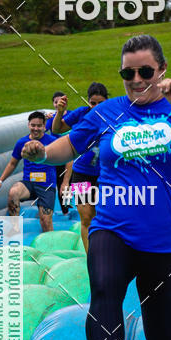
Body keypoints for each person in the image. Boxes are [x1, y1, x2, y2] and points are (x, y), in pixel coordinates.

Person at [20, 34, 171, 340]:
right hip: (112, 228)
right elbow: (69, 146)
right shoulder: (107, 111)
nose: (136, 81)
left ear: (162, 69)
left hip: (167, 242)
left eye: (145, 71)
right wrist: (42, 154)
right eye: (127, 74)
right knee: (104, 290)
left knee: (163, 337)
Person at [51, 81, 110, 251]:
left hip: (107, 175)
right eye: (93, 103)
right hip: (82, 174)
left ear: (107, 100)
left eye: (101, 102)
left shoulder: (115, 115)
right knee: (86, 218)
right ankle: (92, 258)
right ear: (88, 102)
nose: (96, 106)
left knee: (107, 217)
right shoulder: (82, 114)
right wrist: (60, 112)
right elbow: (57, 129)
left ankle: (109, 253)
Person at [0, 111, 58, 231]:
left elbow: (68, 161)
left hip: (47, 185)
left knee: (45, 221)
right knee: (13, 192)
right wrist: (0, 181)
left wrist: (65, 182)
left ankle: (49, 245)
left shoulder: (52, 141)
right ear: (28, 125)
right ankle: (14, 230)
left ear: (44, 126)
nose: (36, 128)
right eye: (33, 125)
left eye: (39, 126)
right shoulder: (21, 142)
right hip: (29, 183)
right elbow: (12, 163)